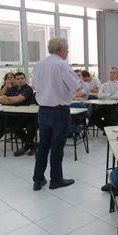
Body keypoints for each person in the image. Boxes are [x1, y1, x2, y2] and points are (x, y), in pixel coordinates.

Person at [32, 38, 81, 191]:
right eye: (67, 49)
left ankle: (38, 179)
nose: (67, 52)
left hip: (43, 110)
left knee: (43, 146)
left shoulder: (39, 65)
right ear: (60, 50)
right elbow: (76, 85)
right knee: (57, 146)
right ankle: (56, 179)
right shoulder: (61, 65)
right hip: (59, 111)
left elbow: (35, 85)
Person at [90, 67, 118, 131]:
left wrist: (105, 96)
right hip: (104, 105)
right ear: (108, 74)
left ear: (117, 74)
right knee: (93, 117)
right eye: (110, 72)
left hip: (116, 106)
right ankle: (105, 129)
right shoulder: (104, 85)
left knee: (109, 117)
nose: (112, 74)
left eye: (114, 73)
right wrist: (110, 95)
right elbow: (99, 95)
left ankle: (107, 129)